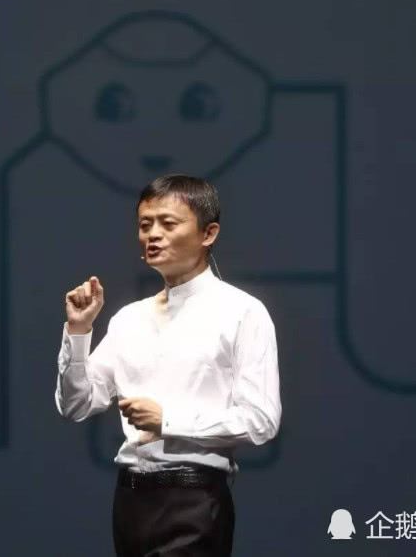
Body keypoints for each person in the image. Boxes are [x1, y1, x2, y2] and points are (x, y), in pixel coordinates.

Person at [55, 174, 282, 556]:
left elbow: (261, 420)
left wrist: (169, 420)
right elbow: (76, 405)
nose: (153, 235)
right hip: (130, 499)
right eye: (145, 225)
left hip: (193, 498)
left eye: (168, 223)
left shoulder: (242, 311)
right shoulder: (129, 318)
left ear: (208, 233)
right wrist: (79, 331)